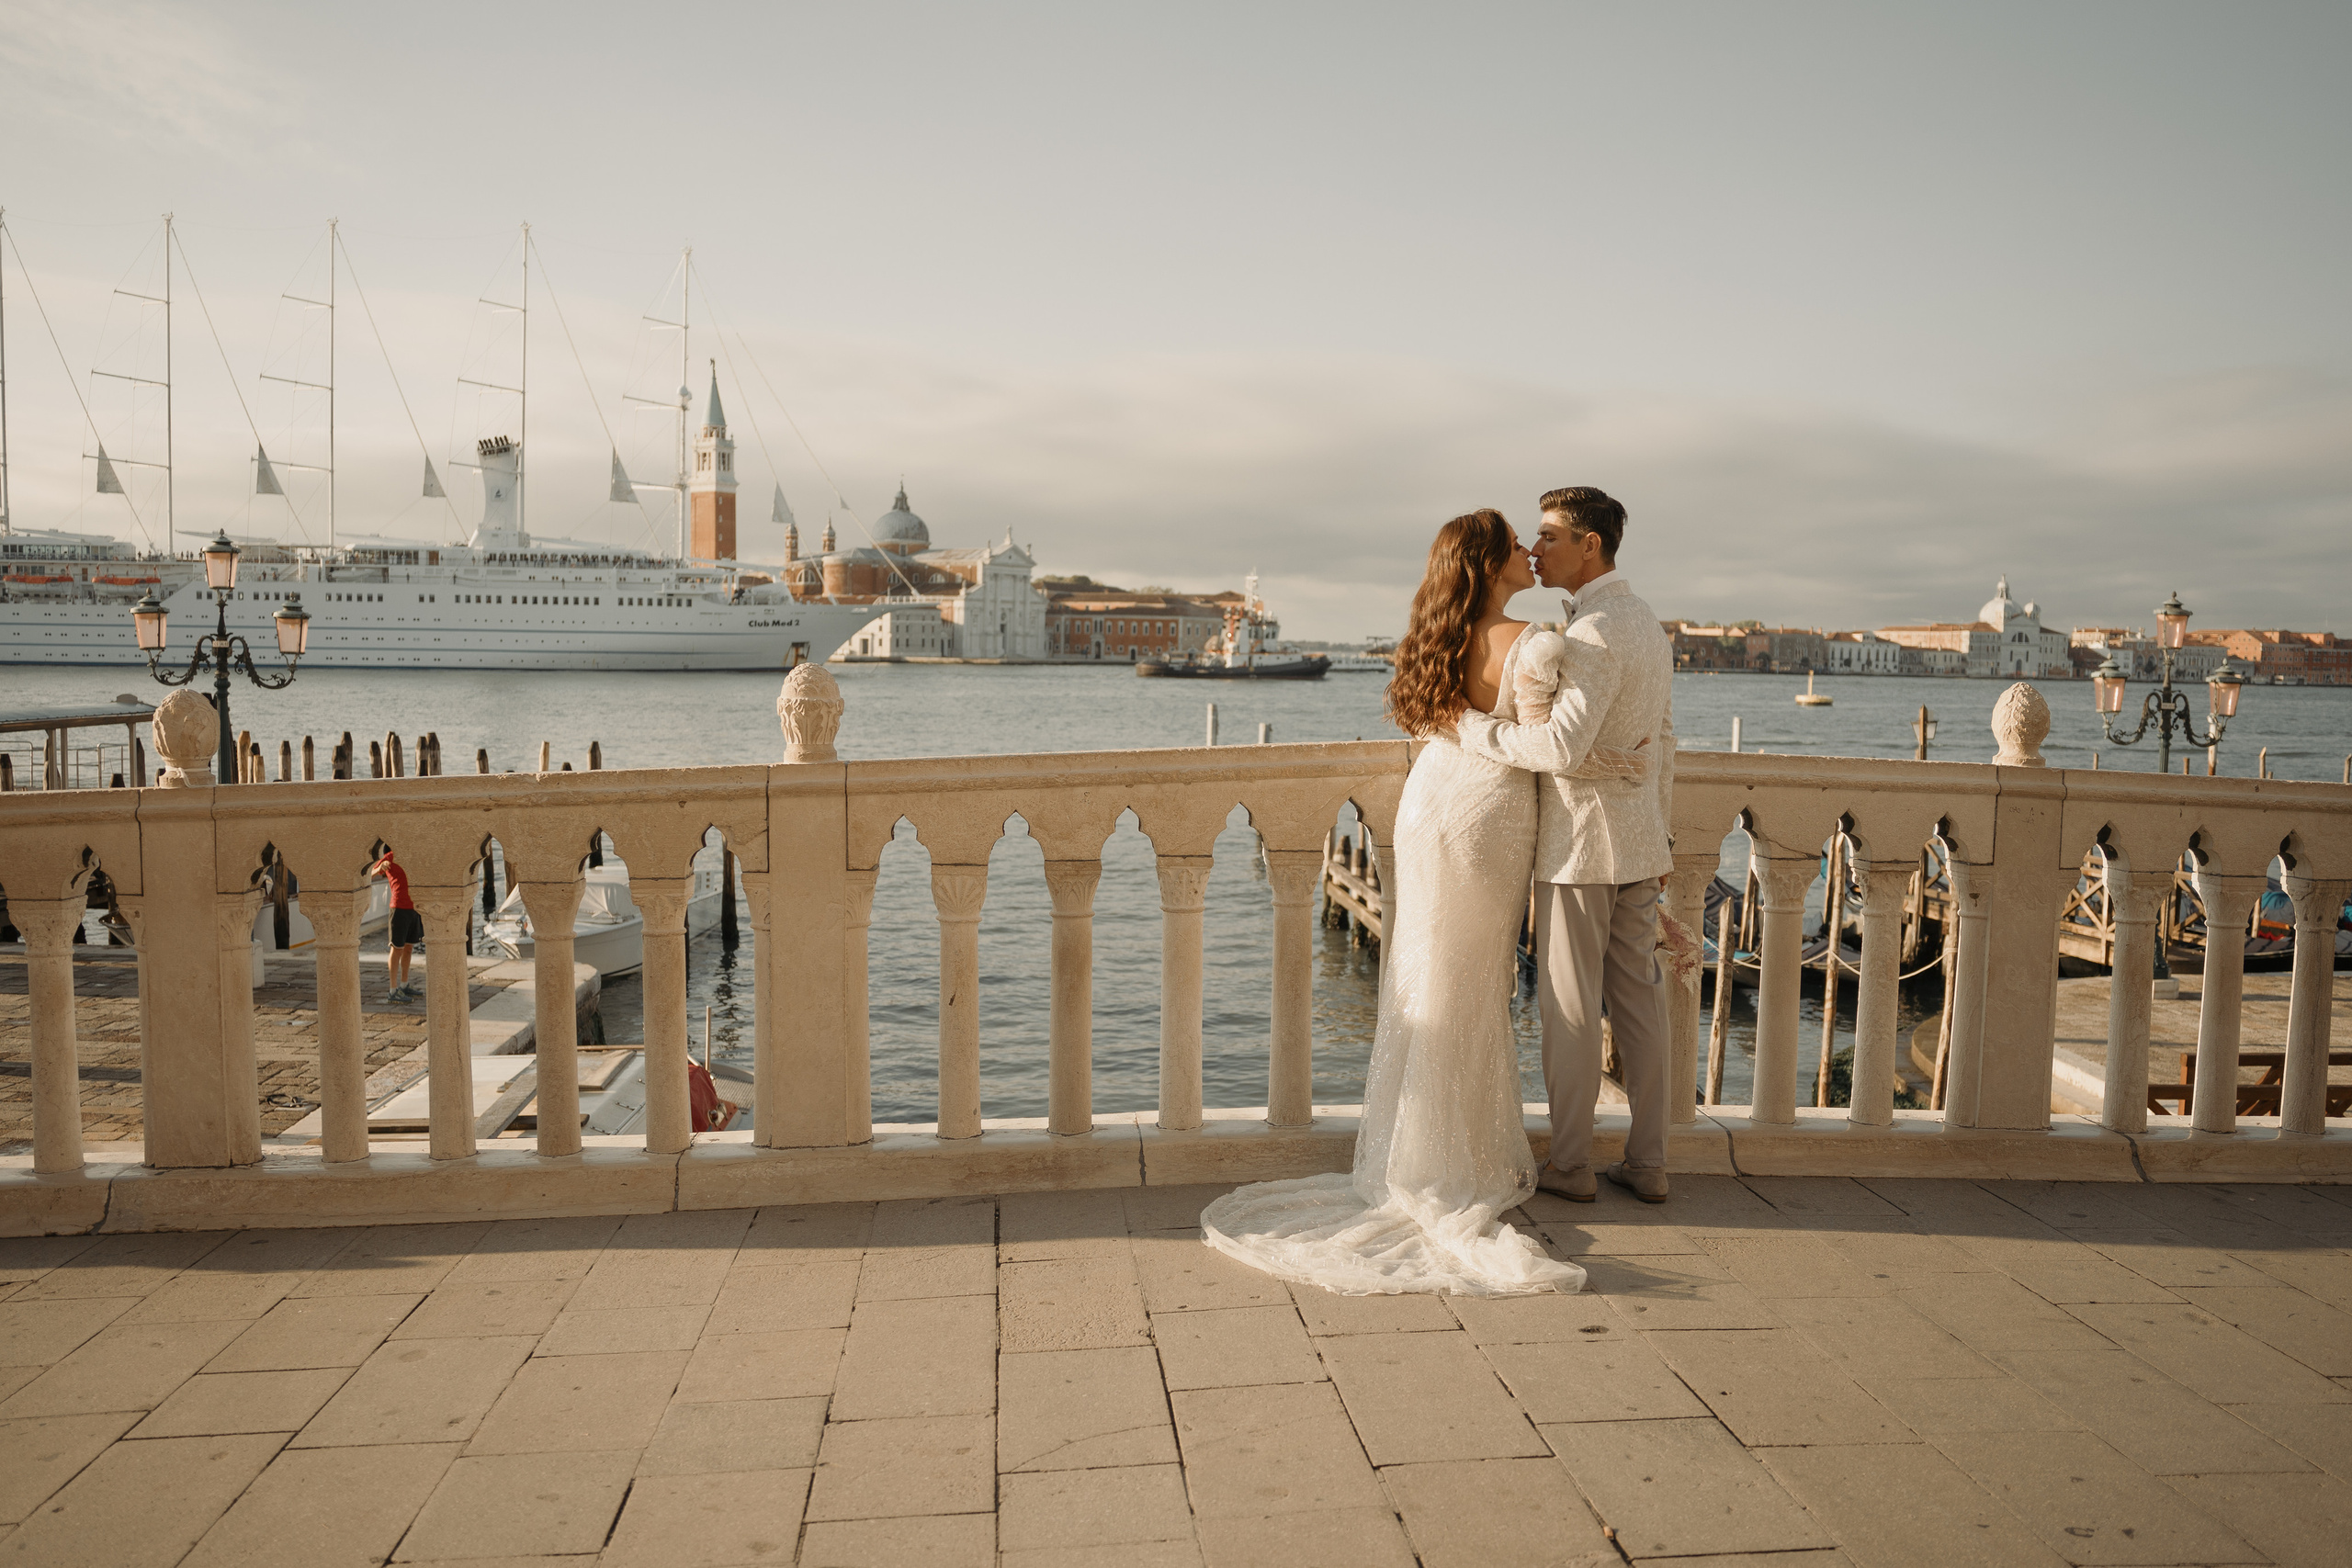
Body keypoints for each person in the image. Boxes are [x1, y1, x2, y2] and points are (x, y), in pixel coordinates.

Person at [1200, 509, 1647, 1296]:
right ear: (1486, 564)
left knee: (1427, 975)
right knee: (1467, 983)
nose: (1525, 551)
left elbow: (1463, 727)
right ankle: (1451, 1161)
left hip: (1429, 802)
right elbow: (1549, 751)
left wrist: (1470, 726)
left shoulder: (1437, 637)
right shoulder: (1534, 644)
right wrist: (1577, 751)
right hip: (1489, 818)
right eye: (1514, 543)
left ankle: (1419, 1156)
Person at [1453, 487, 1678, 1204]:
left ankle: (1573, 1165)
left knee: (1572, 1010)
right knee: (1640, 1007)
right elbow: (1659, 744)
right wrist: (1652, 817)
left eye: (1550, 536)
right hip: (1640, 844)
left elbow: (1558, 744)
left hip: (1582, 849)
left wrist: (1469, 729)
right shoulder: (1647, 622)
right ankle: (1649, 1163)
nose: (1536, 548)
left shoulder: (1593, 634)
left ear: (1591, 545)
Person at [369, 847, 424, 1003]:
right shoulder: (389, 857)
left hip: (414, 908)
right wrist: (380, 868)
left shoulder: (413, 854)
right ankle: (393, 990)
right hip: (398, 908)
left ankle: (404, 985)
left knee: (408, 948)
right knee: (397, 948)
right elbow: (369, 873)